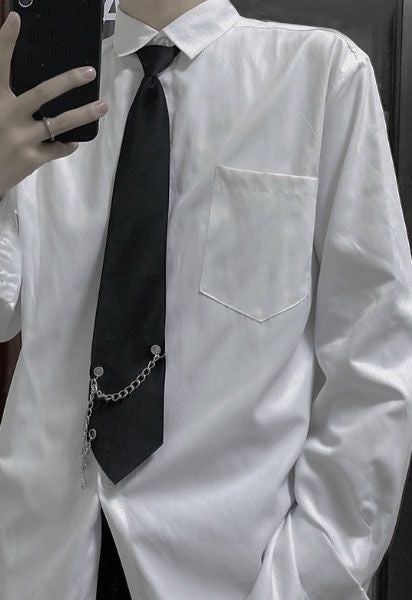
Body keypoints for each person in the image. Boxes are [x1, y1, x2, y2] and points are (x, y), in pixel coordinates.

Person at [1, 0, 412, 599]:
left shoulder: (321, 75)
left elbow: (375, 359)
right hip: (41, 557)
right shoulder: (41, 102)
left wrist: (305, 579)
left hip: (237, 571)